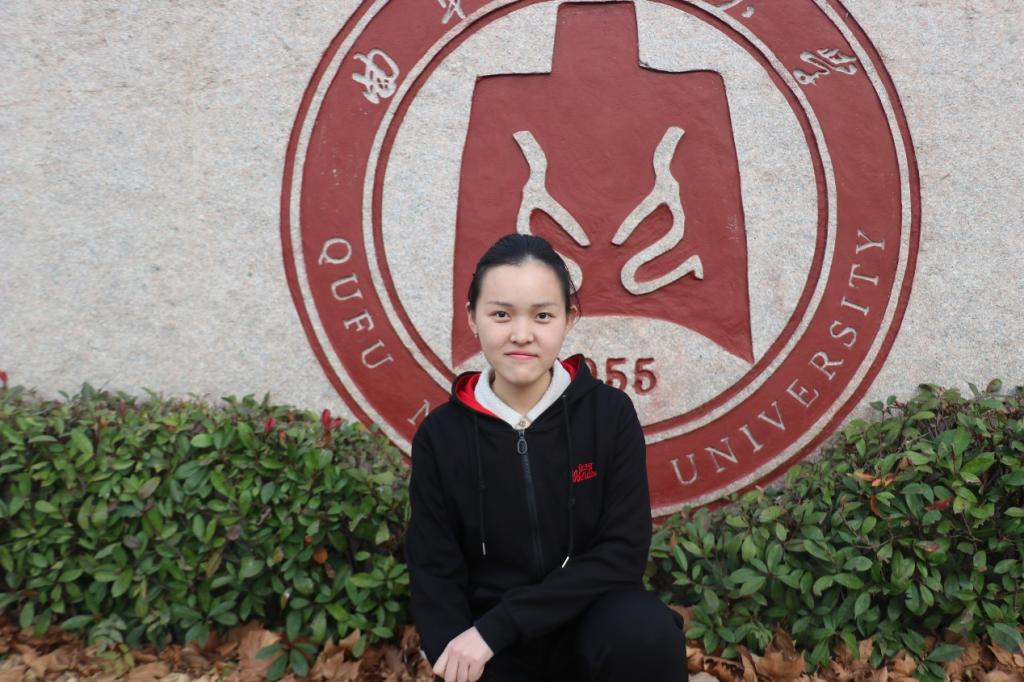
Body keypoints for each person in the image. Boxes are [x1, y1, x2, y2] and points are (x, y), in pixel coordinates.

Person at [403, 233, 688, 682]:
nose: (522, 334)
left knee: (646, 633)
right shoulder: (441, 437)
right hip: (492, 644)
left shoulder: (608, 415)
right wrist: (451, 653)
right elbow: (434, 569)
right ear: (472, 318)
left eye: (542, 315)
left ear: (569, 318)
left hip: (590, 621)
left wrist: (502, 625)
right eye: (501, 314)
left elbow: (622, 554)